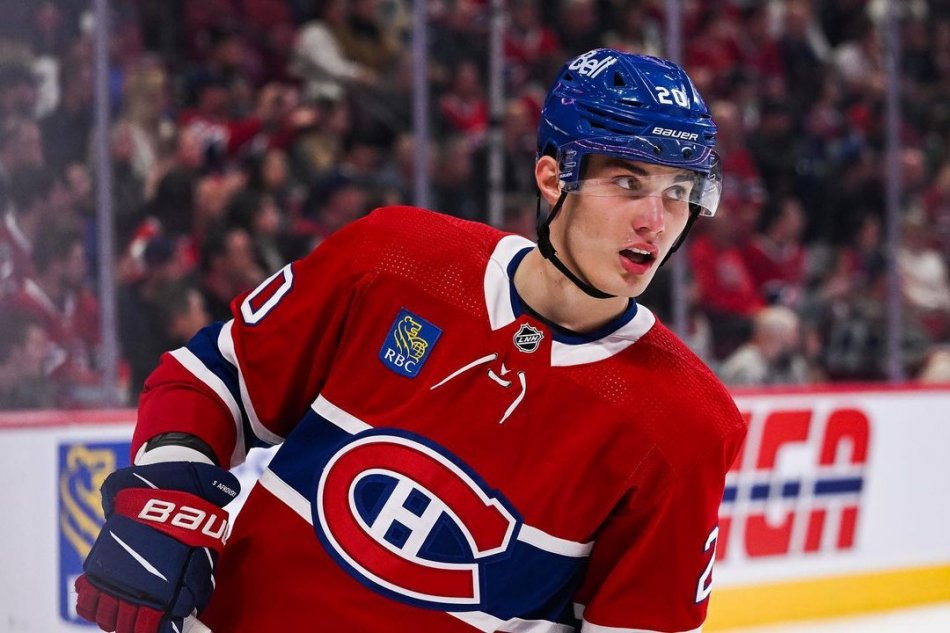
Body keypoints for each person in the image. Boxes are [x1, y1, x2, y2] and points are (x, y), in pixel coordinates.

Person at [75, 49, 746, 633]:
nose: (657, 221)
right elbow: (216, 378)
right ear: (552, 176)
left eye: (679, 191)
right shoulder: (395, 258)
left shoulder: (684, 425)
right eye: (628, 182)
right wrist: (166, 490)